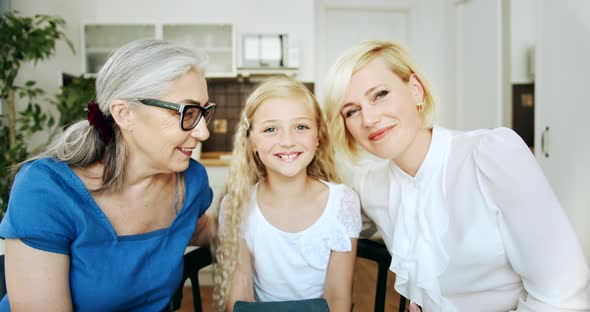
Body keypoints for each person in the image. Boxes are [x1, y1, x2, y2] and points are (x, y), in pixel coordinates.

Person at [323, 40, 590, 311]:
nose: (368, 119)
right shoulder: (370, 185)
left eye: (379, 94)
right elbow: (328, 220)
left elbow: (563, 294)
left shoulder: (491, 156)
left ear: (416, 90)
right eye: (352, 111)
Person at [0, 39, 217, 311]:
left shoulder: (189, 182)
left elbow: (200, 229)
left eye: (204, 112)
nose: (203, 133)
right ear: (124, 114)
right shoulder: (46, 191)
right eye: (188, 112)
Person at [212, 77, 361, 312]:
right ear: (251, 142)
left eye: (300, 127)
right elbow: (239, 300)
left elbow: (337, 298)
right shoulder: (235, 206)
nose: (287, 141)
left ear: (318, 137)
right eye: (271, 129)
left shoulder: (342, 202)